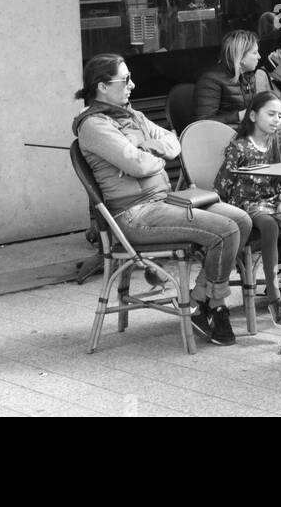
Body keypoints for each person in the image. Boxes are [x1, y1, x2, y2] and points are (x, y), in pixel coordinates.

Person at [73, 53, 251, 346]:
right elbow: (138, 165)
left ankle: (199, 299)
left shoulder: (133, 116)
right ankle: (215, 305)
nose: (133, 84)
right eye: (125, 79)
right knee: (225, 230)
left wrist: (144, 147)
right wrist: (151, 155)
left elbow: (173, 143)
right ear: (103, 86)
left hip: (165, 201)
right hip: (135, 214)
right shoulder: (94, 125)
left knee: (241, 220)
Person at [213, 92, 281, 326]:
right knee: (269, 225)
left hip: (280, 201)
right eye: (271, 114)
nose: (277, 120)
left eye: (280, 115)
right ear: (253, 115)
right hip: (250, 205)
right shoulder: (239, 148)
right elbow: (221, 185)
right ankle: (276, 299)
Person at [194, 29, 264, 124]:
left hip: (243, 133)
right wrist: (238, 116)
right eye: (254, 53)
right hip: (220, 136)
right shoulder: (211, 80)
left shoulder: (248, 75)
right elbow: (203, 122)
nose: (259, 57)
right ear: (240, 56)